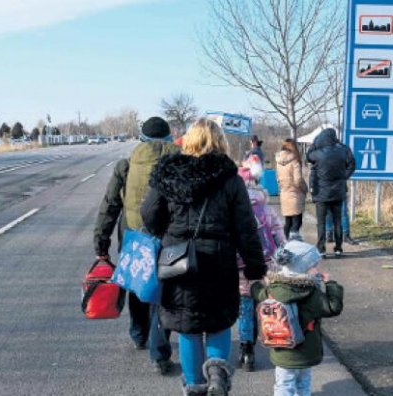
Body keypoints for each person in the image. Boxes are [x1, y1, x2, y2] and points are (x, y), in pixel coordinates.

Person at [141, 118, 267, 396]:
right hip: (218, 261)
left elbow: (149, 216)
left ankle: (195, 386)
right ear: (218, 142)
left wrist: (170, 232)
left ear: (189, 141)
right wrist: (255, 267)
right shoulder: (230, 179)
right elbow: (245, 227)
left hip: (178, 262)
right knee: (218, 321)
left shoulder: (168, 175)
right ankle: (218, 378)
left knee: (188, 326)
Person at [93, 116, 180, 375]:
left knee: (138, 285)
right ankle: (159, 353)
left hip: (133, 236)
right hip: (168, 238)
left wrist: (101, 240)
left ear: (141, 138)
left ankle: (139, 334)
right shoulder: (178, 163)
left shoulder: (127, 165)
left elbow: (110, 204)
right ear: (169, 138)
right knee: (163, 293)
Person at [251, 240, 344, 396]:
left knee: (283, 384)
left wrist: (256, 285)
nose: (317, 269)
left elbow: (259, 293)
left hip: (281, 348)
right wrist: (331, 284)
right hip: (305, 350)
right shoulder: (311, 293)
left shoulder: (274, 289)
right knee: (303, 382)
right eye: (314, 266)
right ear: (303, 268)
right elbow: (333, 307)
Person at [236, 156, 286, 372]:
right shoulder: (266, 209)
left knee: (244, 307)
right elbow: (279, 237)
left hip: (240, 266)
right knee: (265, 305)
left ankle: (247, 350)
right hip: (266, 264)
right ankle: (276, 343)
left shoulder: (234, 209)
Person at [306, 125, 355, 257]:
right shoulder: (343, 151)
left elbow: (308, 156)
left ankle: (321, 249)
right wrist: (344, 176)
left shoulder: (318, 154)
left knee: (321, 222)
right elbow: (352, 164)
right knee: (337, 220)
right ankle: (338, 248)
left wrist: (315, 142)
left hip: (322, 193)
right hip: (338, 192)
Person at [275, 139, 307, 241]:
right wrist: (304, 189)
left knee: (288, 222)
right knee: (297, 223)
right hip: (295, 194)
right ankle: (294, 244)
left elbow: (278, 178)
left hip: (284, 194)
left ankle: (285, 242)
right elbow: (298, 180)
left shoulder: (278, 161)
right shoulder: (294, 161)